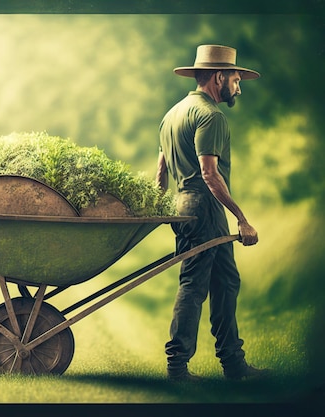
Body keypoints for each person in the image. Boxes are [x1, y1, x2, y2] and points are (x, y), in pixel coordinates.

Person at [156, 44, 268, 381]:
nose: (238, 87)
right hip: (203, 207)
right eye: (235, 79)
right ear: (218, 77)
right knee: (193, 284)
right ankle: (177, 366)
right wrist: (242, 218)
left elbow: (161, 170)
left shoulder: (172, 114)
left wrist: (159, 204)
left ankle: (233, 364)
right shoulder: (211, 116)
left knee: (226, 281)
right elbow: (209, 173)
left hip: (186, 206)